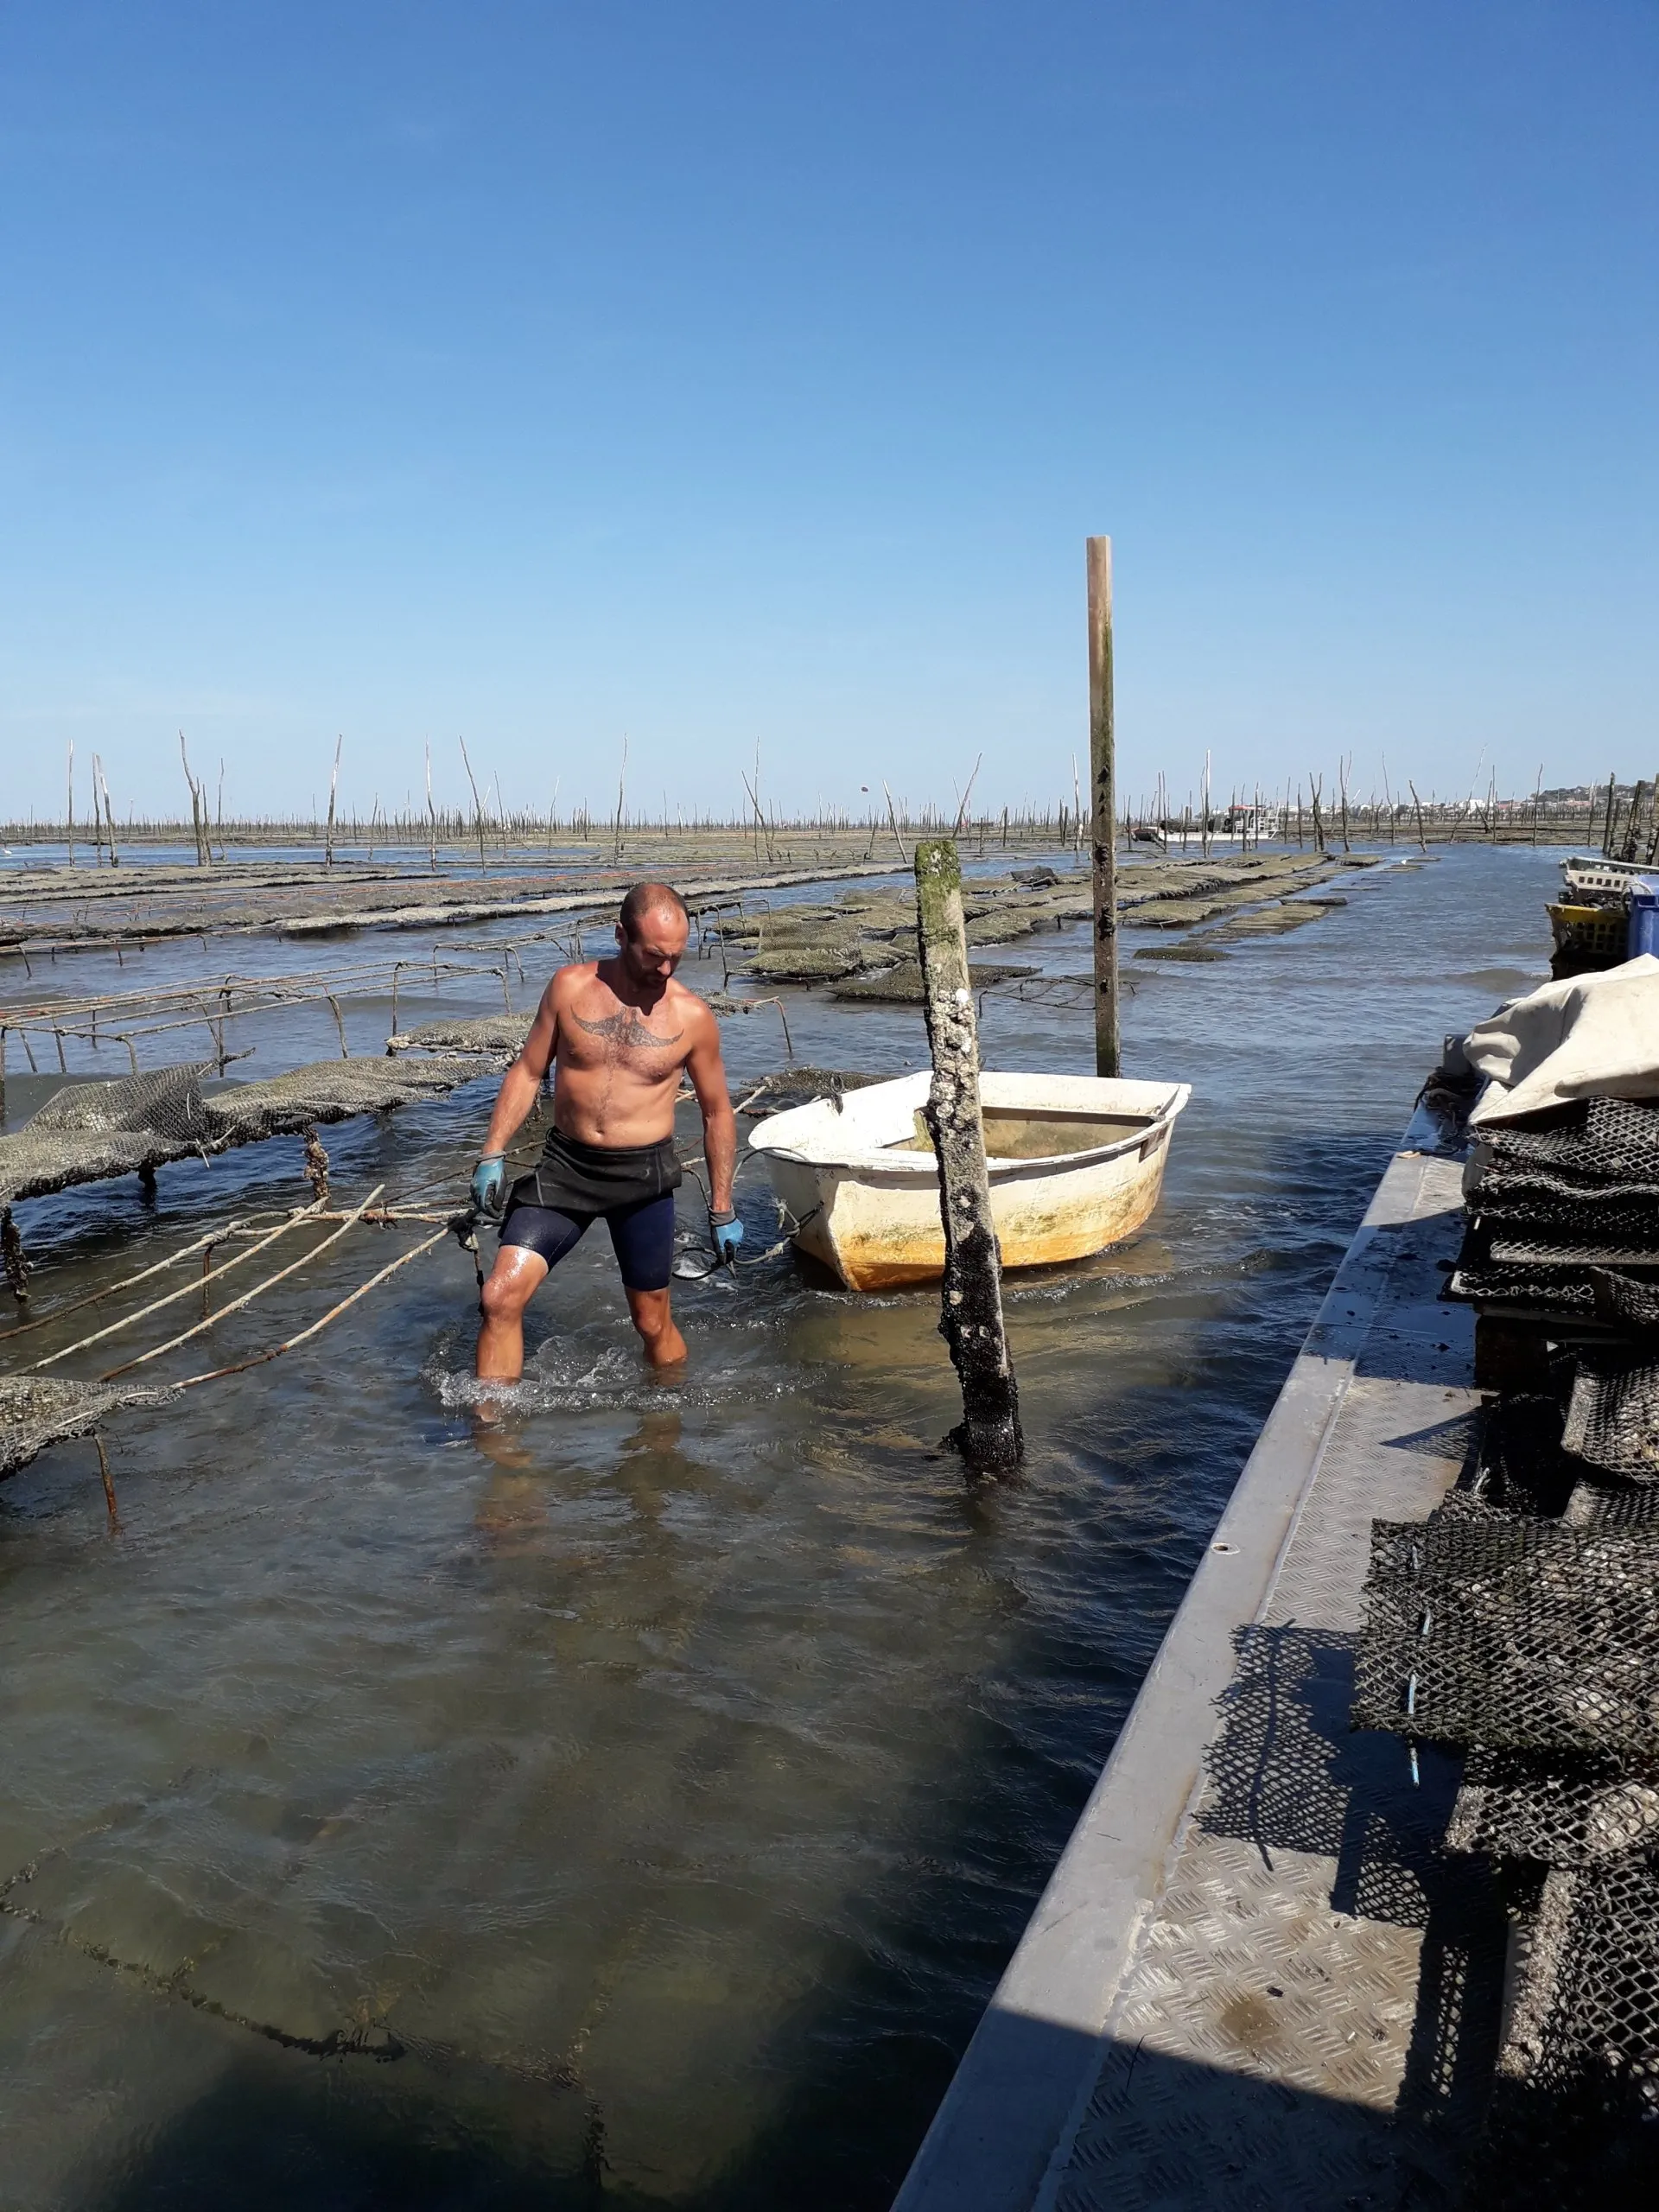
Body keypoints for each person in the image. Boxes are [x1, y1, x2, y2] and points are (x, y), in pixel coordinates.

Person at [469, 881, 741, 1380]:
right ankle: (491, 1422)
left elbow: (716, 1112)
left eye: (676, 957)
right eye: (654, 955)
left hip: (643, 1179)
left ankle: (668, 1412)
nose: (666, 969)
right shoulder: (569, 988)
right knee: (499, 1297)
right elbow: (528, 1071)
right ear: (620, 935)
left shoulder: (693, 1017)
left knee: (651, 1321)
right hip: (566, 1169)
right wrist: (492, 1152)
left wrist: (722, 1209)